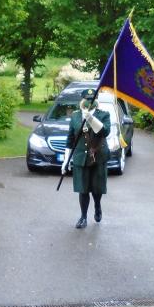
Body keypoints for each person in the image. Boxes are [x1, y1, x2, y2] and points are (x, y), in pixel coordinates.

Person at [61, 89, 111, 229]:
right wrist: (66, 161)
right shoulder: (76, 116)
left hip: (98, 156)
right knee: (83, 189)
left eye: (92, 99)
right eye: (87, 99)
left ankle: (97, 205)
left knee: (97, 188)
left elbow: (105, 132)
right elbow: (70, 140)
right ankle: (83, 217)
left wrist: (90, 118)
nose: (89, 101)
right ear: (82, 100)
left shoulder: (104, 115)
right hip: (80, 157)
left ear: (96, 101)